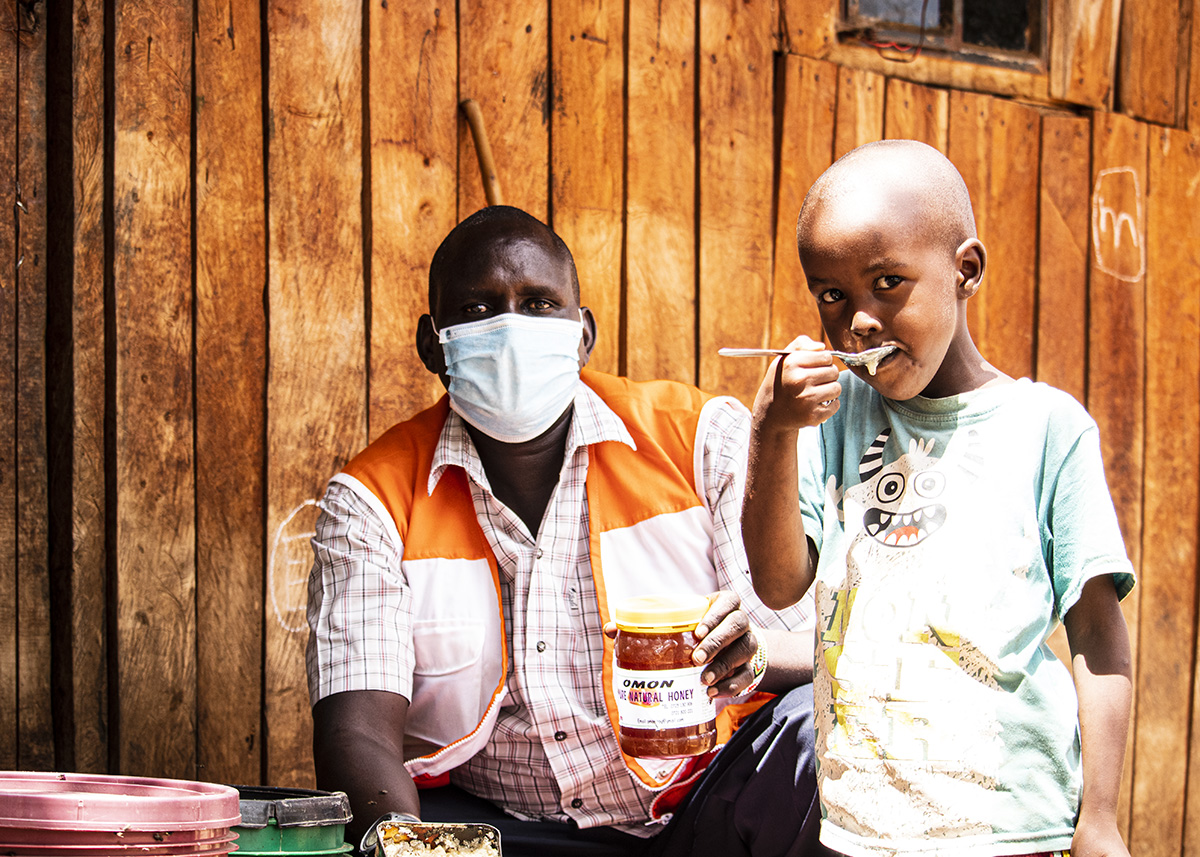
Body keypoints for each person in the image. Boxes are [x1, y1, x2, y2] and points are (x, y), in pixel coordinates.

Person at [306, 205, 830, 856]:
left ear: (582, 334)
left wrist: (748, 655)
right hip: (506, 826)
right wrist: (408, 845)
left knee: (818, 728)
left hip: (707, 802)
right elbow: (356, 734)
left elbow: (818, 651)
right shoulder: (373, 500)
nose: (509, 329)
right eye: (476, 309)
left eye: (537, 302)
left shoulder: (702, 439)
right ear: (430, 342)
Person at [740, 140, 1135, 857]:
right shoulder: (831, 422)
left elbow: (1099, 636)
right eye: (832, 295)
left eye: (886, 281)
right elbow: (779, 580)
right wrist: (772, 429)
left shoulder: (1047, 429)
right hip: (858, 825)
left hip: (1009, 829)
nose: (857, 320)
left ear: (965, 271)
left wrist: (1099, 815)